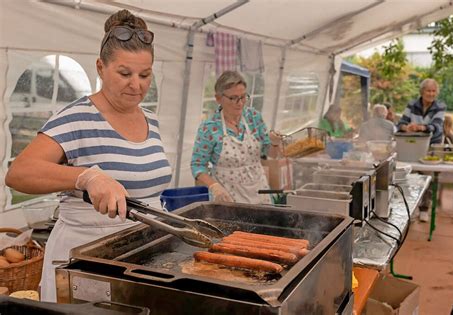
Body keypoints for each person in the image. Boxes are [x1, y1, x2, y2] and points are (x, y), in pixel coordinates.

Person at [5, 10, 172, 302]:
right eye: (124, 73)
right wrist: (86, 176)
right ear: (100, 67)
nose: (137, 84)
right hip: (86, 257)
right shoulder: (76, 118)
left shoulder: (151, 120)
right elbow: (19, 173)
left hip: (143, 252)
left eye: (145, 75)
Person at [190, 70, 281, 204]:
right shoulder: (209, 128)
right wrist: (214, 186)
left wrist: (274, 143)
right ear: (218, 98)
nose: (240, 103)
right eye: (233, 98)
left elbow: (268, 154)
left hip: (259, 192)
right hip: (228, 197)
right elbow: (197, 166)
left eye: (243, 97)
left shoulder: (254, 118)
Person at [398, 78, 446, 222]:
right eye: (428, 90)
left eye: (433, 91)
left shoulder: (440, 106)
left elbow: (437, 126)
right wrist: (406, 127)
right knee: (409, 176)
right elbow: (401, 123)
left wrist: (421, 127)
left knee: (427, 177)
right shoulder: (412, 104)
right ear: (422, 91)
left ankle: (424, 208)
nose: (431, 94)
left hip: (431, 145)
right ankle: (410, 208)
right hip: (412, 145)